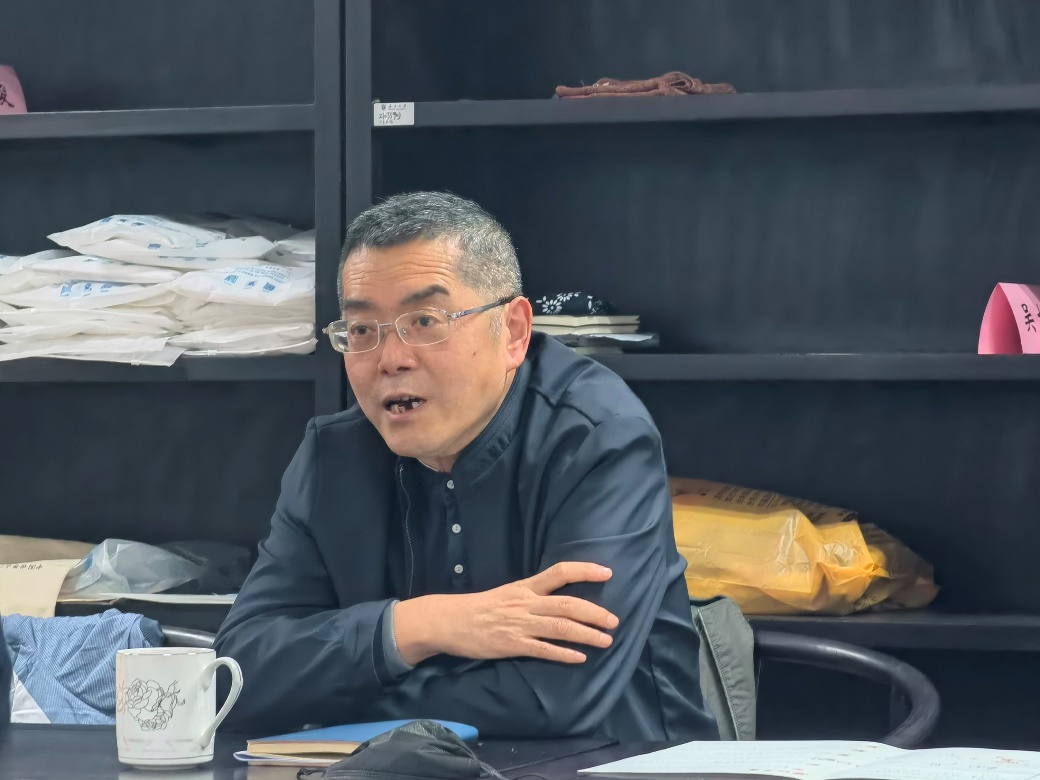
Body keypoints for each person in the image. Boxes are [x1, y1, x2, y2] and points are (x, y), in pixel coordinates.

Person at [214, 192, 715, 741]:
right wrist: (415, 626)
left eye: (424, 321)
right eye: (361, 330)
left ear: (514, 332)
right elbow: (232, 681)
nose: (391, 359)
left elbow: (554, 697)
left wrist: (326, 698)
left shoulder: (597, 437)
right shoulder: (333, 455)